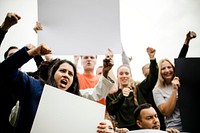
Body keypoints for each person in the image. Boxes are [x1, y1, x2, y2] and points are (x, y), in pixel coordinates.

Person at [0, 43, 114, 133]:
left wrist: (105, 72)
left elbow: (96, 93)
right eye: (62, 71)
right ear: (53, 73)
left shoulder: (74, 97)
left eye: (70, 74)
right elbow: (5, 70)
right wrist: (33, 52)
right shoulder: (32, 85)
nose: (66, 75)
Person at [106, 47, 158, 131]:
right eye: (121, 74)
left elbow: (153, 78)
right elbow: (111, 110)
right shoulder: (112, 94)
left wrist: (152, 59)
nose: (124, 76)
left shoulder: (139, 89)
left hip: (142, 130)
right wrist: (121, 96)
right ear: (117, 76)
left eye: (127, 73)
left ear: (130, 76)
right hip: (123, 131)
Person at [0, 12, 21, 133]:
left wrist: (35, 53)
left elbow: (47, 70)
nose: (15, 59)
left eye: (19, 56)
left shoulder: (28, 81)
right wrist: (4, 28)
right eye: (11, 56)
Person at [152, 59, 182, 131]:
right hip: (175, 128)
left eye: (169, 67)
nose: (167, 71)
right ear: (160, 72)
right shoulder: (157, 90)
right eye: (163, 68)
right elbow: (166, 112)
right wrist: (174, 90)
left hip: (192, 124)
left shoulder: (182, 82)